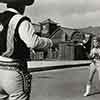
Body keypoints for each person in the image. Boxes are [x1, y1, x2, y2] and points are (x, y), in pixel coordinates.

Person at [0, 0, 53, 100]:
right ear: (21, 5)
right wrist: (49, 42)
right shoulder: (21, 20)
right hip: (14, 70)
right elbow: (33, 42)